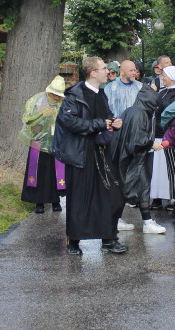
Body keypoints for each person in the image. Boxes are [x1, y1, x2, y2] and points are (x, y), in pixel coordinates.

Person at [52, 56, 126, 255]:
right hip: (80, 154)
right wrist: (101, 123)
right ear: (93, 72)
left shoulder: (101, 94)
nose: (108, 72)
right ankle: (74, 240)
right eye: (104, 68)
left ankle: (109, 239)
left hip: (101, 153)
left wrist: (114, 122)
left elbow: (105, 116)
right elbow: (70, 122)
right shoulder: (74, 95)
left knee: (112, 197)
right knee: (79, 199)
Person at [108, 87, 167, 234]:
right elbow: (136, 142)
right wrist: (151, 144)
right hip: (134, 160)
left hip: (123, 158)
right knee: (143, 188)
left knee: (124, 189)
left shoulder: (131, 111)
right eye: (155, 105)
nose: (156, 108)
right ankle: (147, 222)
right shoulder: (140, 115)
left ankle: (116, 220)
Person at [19, 76, 68, 214]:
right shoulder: (38, 100)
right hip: (38, 142)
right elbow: (28, 120)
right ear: (49, 92)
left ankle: (55, 201)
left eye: (59, 95)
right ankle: (38, 202)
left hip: (56, 142)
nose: (57, 98)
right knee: (38, 171)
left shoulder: (64, 103)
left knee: (56, 172)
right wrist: (42, 114)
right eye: (55, 95)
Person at [148, 66, 175, 206]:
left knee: (170, 169)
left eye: (164, 75)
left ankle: (173, 197)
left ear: (171, 77)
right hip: (158, 134)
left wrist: (158, 106)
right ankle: (157, 197)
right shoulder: (163, 91)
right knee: (157, 169)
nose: (162, 78)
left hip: (169, 135)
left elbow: (170, 111)